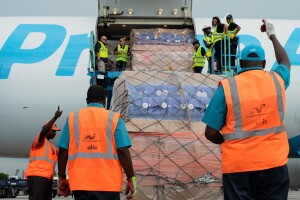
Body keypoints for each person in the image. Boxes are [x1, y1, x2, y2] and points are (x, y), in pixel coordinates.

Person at [202, 19, 291, 200]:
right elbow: (284, 61)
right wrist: (272, 35)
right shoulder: (277, 81)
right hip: (273, 163)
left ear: (240, 62)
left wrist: (229, 142)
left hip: (238, 167)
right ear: (264, 62)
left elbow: (210, 132)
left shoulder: (227, 88)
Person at [57, 85, 136, 200]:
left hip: (81, 184)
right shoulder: (114, 119)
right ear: (104, 100)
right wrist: (131, 178)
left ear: (86, 100)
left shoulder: (72, 119)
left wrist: (62, 178)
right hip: (109, 184)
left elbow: (63, 151)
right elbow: (123, 150)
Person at [26, 107, 63, 200]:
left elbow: (64, 153)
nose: (55, 133)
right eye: (53, 131)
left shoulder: (52, 147)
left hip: (47, 179)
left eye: (56, 131)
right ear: (47, 130)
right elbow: (43, 133)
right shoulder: (39, 141)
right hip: (37, 177)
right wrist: (55, 117)